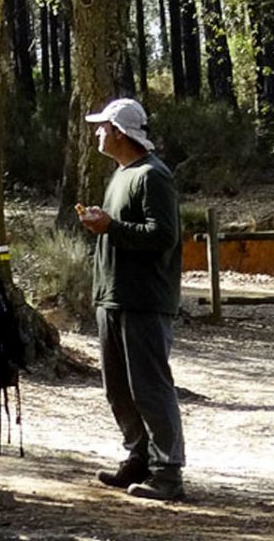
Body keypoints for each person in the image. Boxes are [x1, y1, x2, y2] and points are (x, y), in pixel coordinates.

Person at [78, 98, 186, 501]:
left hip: (144, 299)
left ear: (120, 132)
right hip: (112, 297)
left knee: (150, 387)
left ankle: (168, 473)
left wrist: (112, 226)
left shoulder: (152, 176)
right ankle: (138, 457)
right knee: (118, 388)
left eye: (102, 127)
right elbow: (122, 229)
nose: (97, 134)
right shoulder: (121, 175)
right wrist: (103, 225)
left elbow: (163, 235)